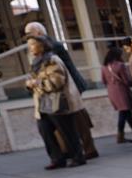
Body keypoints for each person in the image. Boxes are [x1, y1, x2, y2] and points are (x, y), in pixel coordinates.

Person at [24, 22, 98, 160]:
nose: (28, 38)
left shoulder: (51, 47)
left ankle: (88, 150)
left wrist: (37, 82)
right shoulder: (38, 51)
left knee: (78, 119)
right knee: (63, 121)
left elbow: (57, 73)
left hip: (69, 87)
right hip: (57, 90)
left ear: (39, 33)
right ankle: (70, 151)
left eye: (30, 33)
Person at [25, 36, 86, 169]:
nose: (30, 47)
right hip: (42, 103)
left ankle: (78, 156)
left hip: (57, 102)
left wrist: (36, 83)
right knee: (45, 130)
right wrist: (30, 84)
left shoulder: (52, 60)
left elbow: (57, 82)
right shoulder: (35, 62)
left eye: (32, 44)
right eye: (29, 45)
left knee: (67, 131)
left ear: (42, 45)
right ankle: (57, 158)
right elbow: (32, 79)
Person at [101, 47, 132, 143]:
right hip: (122, 91)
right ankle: (122, 135)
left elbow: (103, 81)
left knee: (125, 112)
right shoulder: (120, 65)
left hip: (112, 92)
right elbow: (126, 80)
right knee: (124, 112)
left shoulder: (104, 67)